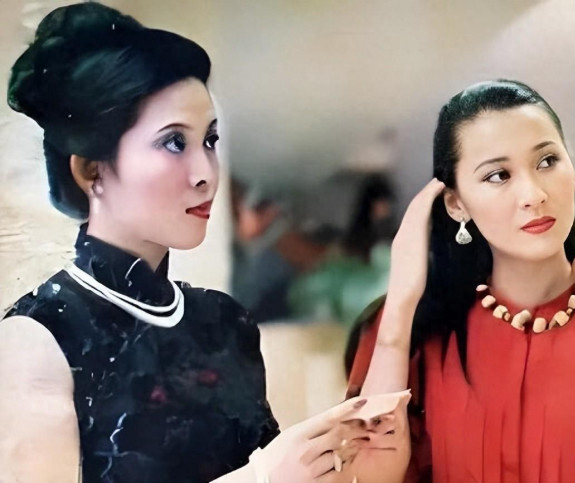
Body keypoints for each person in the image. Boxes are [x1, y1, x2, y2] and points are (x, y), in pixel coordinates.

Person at [0, 4, 389, 482]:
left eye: (209, 141)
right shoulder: (39, 336)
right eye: (173, 142)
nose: (206, 174)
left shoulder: (224, 320)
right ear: (90, 169)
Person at [346, 80, 575, 482]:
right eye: (498, 175)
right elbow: (369, 476)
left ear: (573, 169)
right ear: (456, 203)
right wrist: (400, 310)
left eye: (547, 161)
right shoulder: (414, 339)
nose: (533, 194)